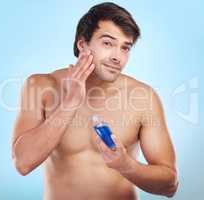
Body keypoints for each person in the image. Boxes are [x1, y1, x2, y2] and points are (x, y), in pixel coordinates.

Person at [11, 2, 179, 200]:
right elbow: (23, 163)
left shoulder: (143, 97)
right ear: (82, 44)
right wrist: (70, 102)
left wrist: (126, 165)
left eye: (125, 48)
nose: (118, 57)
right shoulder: (41, 86)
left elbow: (170, 185)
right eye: (108, 43)